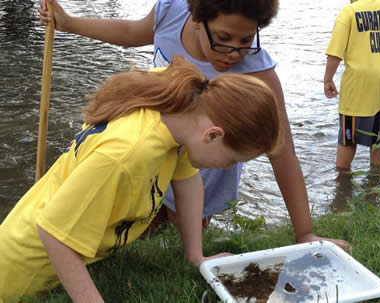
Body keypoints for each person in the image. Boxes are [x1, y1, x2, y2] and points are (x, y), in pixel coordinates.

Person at [39, 0, 349, 249]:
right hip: (147, 158)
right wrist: (68, 23)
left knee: (179, 243)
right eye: (224, 39)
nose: (234, 53)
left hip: (203, 175)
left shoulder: (256, 70)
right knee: (119, 236)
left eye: (247, 40)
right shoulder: (170, 12)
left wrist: (305, 233)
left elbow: (281, 152)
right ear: (197, 17)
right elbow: (130, 32)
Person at [0, 56, 282, 302]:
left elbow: (188, 181)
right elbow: (53, 234)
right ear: (213, 136)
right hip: (24, 275)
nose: (227, 168)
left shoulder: (183, 107)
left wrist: (196, 257)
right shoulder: (128, 154)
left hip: (51, 244)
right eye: (232, 160)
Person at [324, 0, 380, 171]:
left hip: (359, 86)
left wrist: (328, 79)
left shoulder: (349, 13)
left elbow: (335, 52)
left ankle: (342, 180)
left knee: (348, 139)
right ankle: (375, 180)